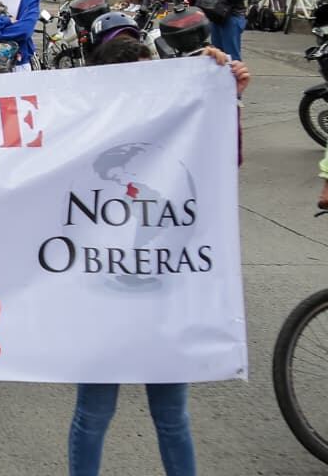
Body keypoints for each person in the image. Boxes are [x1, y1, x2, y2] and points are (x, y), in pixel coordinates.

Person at [68, 42, 248, 476]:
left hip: (165, 293)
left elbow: (225, 159)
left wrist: (226, 98)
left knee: (171, 417)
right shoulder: (83, 131)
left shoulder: (173, 131)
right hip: (105, 298)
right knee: (94, 413)